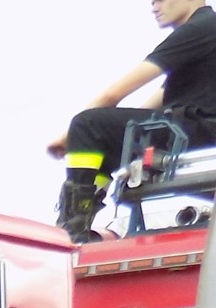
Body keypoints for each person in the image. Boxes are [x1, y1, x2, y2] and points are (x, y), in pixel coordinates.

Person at [50, 0, 216, 240]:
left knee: (88, 125)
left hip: (197, 133)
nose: (153, 5)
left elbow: (112, 95)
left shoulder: (200, 28)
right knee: (108, 138)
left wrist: (70, 135)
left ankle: (71, 230)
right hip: (196, 131)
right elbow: (150, 106)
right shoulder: (206, 36)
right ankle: (80, 223)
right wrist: (117, 136)